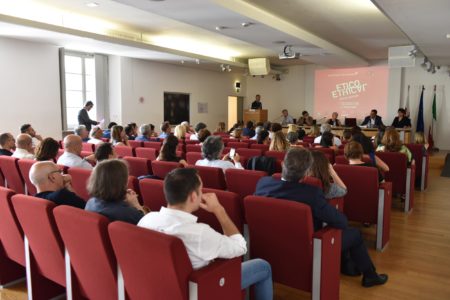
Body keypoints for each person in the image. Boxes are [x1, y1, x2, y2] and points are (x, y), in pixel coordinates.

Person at [254, 148, 388, 287]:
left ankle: (347, 265)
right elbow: (341, 222)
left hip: (270, 247)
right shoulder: (311, 194)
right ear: (306, 173)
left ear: (283, 164)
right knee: (355, 234)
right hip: (308, 249)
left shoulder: (263, 183)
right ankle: (370, 276)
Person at [138, 168, 273, 299]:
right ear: (193, 196)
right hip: (202, 289)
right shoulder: (199, 233)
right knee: (263, 266)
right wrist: (218, 210)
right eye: (201, 190)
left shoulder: (146, 220)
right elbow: (241, 247)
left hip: (160, 289)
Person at [85, 159, 147, 224]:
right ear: (121, 182)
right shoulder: (128, 213)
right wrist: (136, 204)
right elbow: (149, 226)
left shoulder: (90, 203)